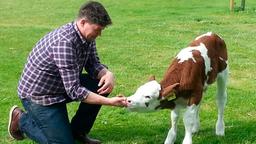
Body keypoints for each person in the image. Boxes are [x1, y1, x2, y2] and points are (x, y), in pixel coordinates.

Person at [8, 1, 127, 144]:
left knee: (99, 84)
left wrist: (107, 74)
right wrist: (109, 102)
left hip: (60, 86)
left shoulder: (87, 37)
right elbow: (75, 91)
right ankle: (21, 120)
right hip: (40, 96)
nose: (100, 34)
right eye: (97, 29)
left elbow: (93, 64)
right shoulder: (64, 42)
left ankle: (78, 132)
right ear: (83, 22)